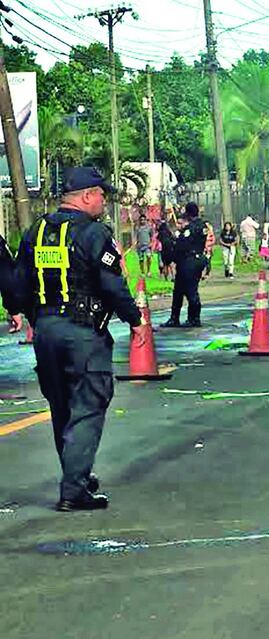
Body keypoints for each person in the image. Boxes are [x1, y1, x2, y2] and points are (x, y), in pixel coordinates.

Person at [13, 167, 149, 511]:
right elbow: (112, 284)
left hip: (46, 331)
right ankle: (74, 490)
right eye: (101, 195)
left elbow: (19, 284)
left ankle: (77, 473)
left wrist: (34, 318)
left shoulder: (36, 231)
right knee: (87, 406)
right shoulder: (94, 233)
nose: (103, 201)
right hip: (83, 333)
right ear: (87, 196)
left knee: (62, 406)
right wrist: (135, 320)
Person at [163, 202, 207, 328]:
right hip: (194, 259)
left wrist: (176, 237)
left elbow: (182, 244)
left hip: (189, 261)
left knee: (190, 290)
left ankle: (194, 318)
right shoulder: (202, 225)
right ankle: (175, 318)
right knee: (178, 290)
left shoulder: (191, 228)